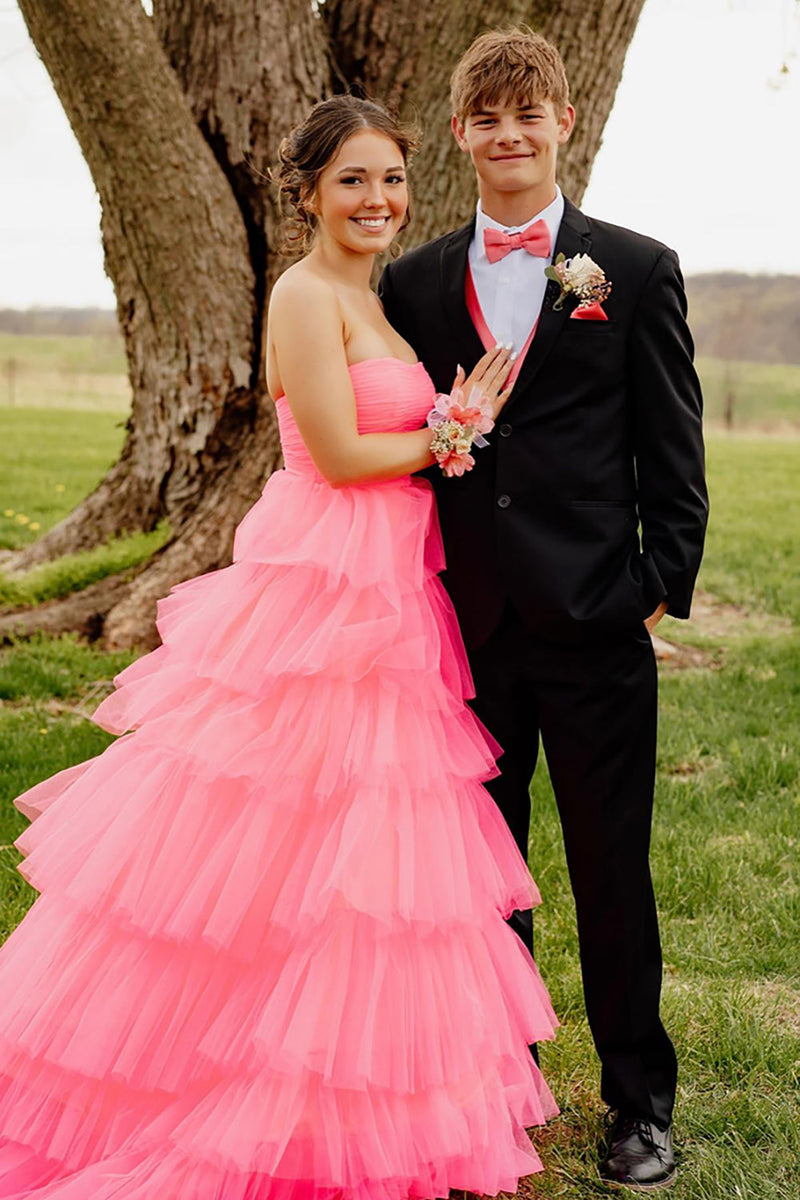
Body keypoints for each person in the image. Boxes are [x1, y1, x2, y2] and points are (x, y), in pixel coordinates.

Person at [0, 95, 560, 1199]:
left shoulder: (372, 296)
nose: (377, 200)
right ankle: (223, 1075)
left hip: (388, 584)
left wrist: (448, 420)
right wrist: (457, 428)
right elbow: (342, 455)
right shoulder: (303, 294)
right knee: (280, 824)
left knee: (366, 844)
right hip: (323, 582)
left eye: (391, 178)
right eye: (352, 180)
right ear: (306, 193)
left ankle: (346, 1084)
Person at [380, 26, 709, 1192]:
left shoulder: (634, 269)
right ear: (458, 132)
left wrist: (651, 590)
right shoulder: (412, 283)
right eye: (487, 117)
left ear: (563, 122)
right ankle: (497, 1090)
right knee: (480, 874)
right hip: (464, 631)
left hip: (594, 622)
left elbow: (672, 450)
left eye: (528, 114)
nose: (508, 134)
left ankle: (637, 1104)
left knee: (609, 867)